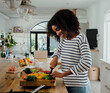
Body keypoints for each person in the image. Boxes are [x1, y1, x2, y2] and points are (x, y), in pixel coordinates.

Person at [47, 9, 92, 93]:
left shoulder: (81, 38)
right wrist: (55, 57)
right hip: (67, 83)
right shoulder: (64, 39)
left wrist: (63, 74)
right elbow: (59, 49)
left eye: (58, 29)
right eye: (55, 31)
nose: (57, 34)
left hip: (79, 85)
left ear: (66, 23)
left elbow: (87, 63)